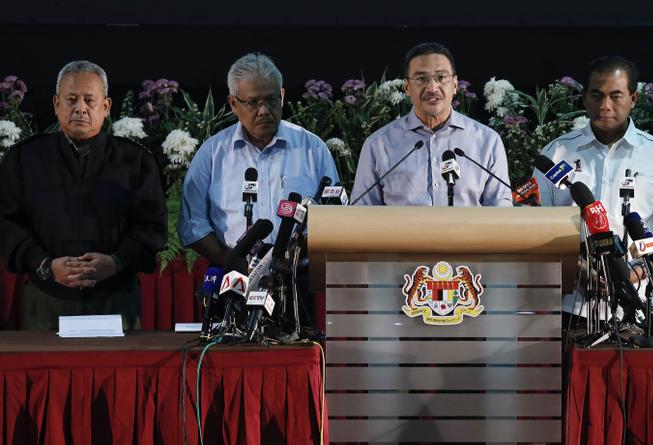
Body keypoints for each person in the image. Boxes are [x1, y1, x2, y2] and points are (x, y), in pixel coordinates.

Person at [0, 60, 167, 330]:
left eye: (90, 100)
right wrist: (46, 265)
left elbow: (152, 229)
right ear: (56, 104)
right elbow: (8, 226)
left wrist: (115, 262)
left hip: (117, 300)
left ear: (106, 107)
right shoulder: (23, 160)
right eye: (71, 99)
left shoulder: (135, 161)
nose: (81, 108)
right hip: (45, 299)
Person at [533, 56, 653, 316]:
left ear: (633, 99)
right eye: (596, 95)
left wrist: (636, 271)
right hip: (572, 303)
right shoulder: (557, 153)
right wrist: (579, 270)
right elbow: (537, 226)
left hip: (639, 302)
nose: (605, 105)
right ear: (584, 98)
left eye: (616, 96)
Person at [178, 52, 339, 266]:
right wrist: (230, 260)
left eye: (271, 100)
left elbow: (334, 216)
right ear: (233, 103)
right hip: (233, 277)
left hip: (297, 278)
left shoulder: (312, 148)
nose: (264, 111)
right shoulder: (212, 153)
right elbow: (192, 224)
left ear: (282, 96)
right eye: (253, 103)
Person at [351, 42, 511, 206]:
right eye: (421, 79)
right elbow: (360, 215)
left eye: (441, 78)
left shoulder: (488, 141)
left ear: (454, 84)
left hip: (466, 233)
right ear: (407, 87)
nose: (433, 87)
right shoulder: (378, 145)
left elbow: (501, 214)